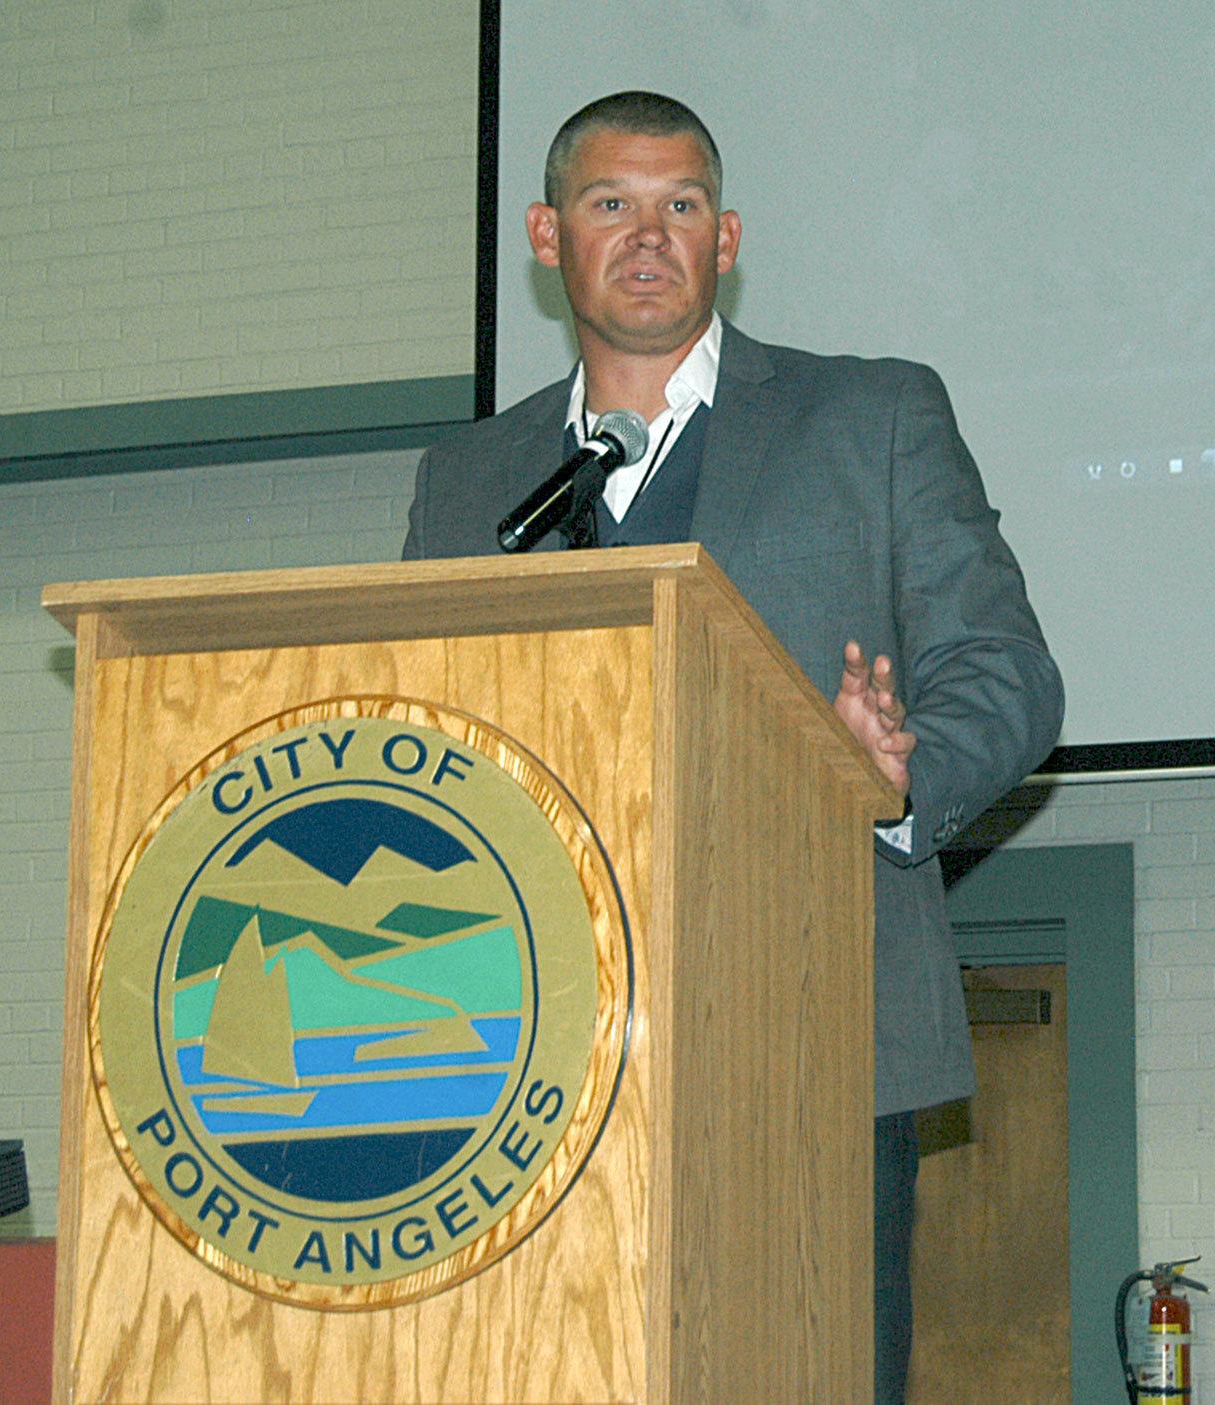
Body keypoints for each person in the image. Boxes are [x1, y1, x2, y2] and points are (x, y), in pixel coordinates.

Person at [403, 90, 1063, 1404]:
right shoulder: (467, 476)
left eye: (681, 207)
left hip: (803, 1042)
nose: (648, 236)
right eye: (611, 205)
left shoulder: (867, 418)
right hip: (523, 1058)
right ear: (547, 235)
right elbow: (420, 723)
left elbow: (1009, 673)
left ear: (727, 238)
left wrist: (900, 769)